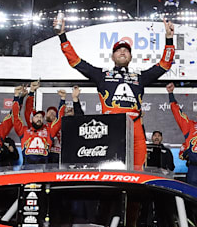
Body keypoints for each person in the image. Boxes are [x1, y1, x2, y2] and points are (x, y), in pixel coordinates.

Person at [56, 14, 174, 169]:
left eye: (126, 50)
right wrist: (62, 37)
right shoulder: (102, 75)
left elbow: (165, 65)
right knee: (111, 170)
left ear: (131, 56)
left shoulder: (140, 76)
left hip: (136, 127)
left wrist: (169, 39)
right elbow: (76, 62)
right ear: (112, 56)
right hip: (111, 126)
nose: (123, 52)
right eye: (119, 50)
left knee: (138, 169)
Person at [12, 82, 67, 165]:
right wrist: (17, 96)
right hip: (27, 169)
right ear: (31, 119)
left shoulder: (49, 131)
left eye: (41, 117)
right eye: (37, 117)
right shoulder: (24, 130)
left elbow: (59, 120)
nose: (39, 119)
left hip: (43, 170)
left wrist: (62, 100)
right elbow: (16, 116)